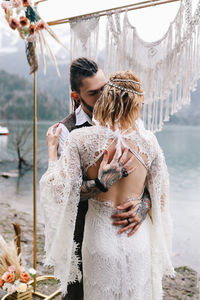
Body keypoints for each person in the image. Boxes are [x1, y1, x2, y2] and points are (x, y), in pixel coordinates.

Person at [40, 70, 174, 299]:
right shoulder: (149, 142)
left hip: (99, 241)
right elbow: (160, 197)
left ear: (107, 97)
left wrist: (53, 153)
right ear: (137, 104)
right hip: (136, 238)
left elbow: (59, 191)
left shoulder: (81, 140)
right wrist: (142, 206)